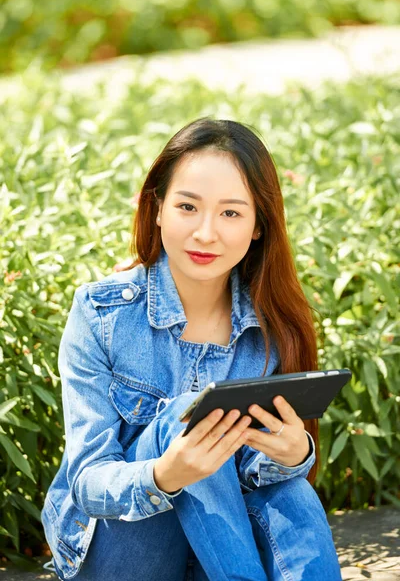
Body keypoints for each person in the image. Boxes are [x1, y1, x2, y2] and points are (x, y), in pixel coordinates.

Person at [41, 118, 343, 580]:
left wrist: (293, 452)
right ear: (157, 208)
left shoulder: (274, 325)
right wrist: (165, 474)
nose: (205, 233)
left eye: (230, 213)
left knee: (292, 491)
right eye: (187, 207)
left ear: (259, 225)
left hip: (218, 548)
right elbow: (87, 481)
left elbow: (256, 479)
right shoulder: (102, 315)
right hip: (124, 550)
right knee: (184, 417)